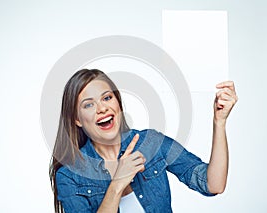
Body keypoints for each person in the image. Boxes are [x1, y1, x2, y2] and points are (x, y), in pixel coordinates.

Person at [49, 69, 238, 213]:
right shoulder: (70, 176)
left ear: (118, 103)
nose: (102, 108)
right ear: (76, 119)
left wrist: (219, 122)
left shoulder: (151, 143)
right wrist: (116, 185)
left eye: (107, 98)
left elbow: (212, 184)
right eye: (89, 104)